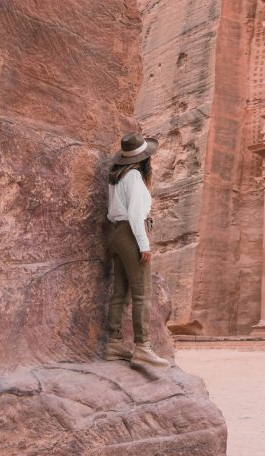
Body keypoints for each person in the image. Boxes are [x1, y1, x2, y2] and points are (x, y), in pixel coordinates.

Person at [104, 132, 170, 368]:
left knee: (120, 293)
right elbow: (135, 214)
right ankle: (143, 347)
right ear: (144, 158)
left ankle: (114, 344)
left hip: (116, 233)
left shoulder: (116, 176)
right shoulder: (133, 176)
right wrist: (144, 244)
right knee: (142, 293)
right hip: (131, 233)